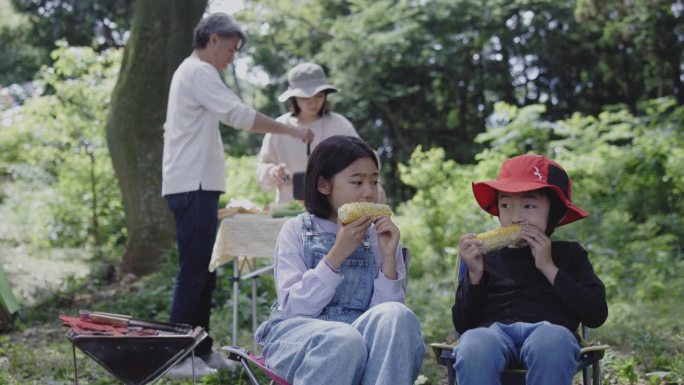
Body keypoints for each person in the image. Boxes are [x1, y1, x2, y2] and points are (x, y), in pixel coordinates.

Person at [161, 13, 314, 378]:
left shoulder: (193, 73)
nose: (231, 57)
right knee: (194, 273)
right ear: (213, 39)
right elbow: (238, 114)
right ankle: (176, 357)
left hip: (198, 185)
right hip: (191, 186)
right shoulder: (198, 71)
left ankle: (202, 348)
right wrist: (291, 131)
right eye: (231, 48)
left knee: (205, 271)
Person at [255, 135, 424, 385]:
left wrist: (389, 256)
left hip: (358, 331)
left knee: (399, 315)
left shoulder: (379, 235)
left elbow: (386, 323)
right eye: (357, 182)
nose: (369, 192)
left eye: (374, 181)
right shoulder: (296, 230)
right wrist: (337, 253)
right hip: (298, 337)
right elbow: (294, 308)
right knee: (344, 339)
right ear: (324, 185)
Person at [451, 154, 608, 385]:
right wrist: (475, 275)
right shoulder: (486, 258)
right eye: (506, 205)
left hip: (550, 333)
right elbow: (463, 324)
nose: (516, 217)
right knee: (474, 343)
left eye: (529, 205)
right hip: (493, 334)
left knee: (551, 342)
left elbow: (596, 314)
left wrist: (549, 267)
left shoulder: (570, 254)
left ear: (552, 214)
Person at [256, 62, 360, 203]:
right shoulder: (279, 128)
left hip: (334, 209)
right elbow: (263, 166)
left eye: (319, 96)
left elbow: (363, 159)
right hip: (290, 209)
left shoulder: (340, 125)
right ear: (294, 98)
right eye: (305, 98)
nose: (313, 103)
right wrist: (272, 172)